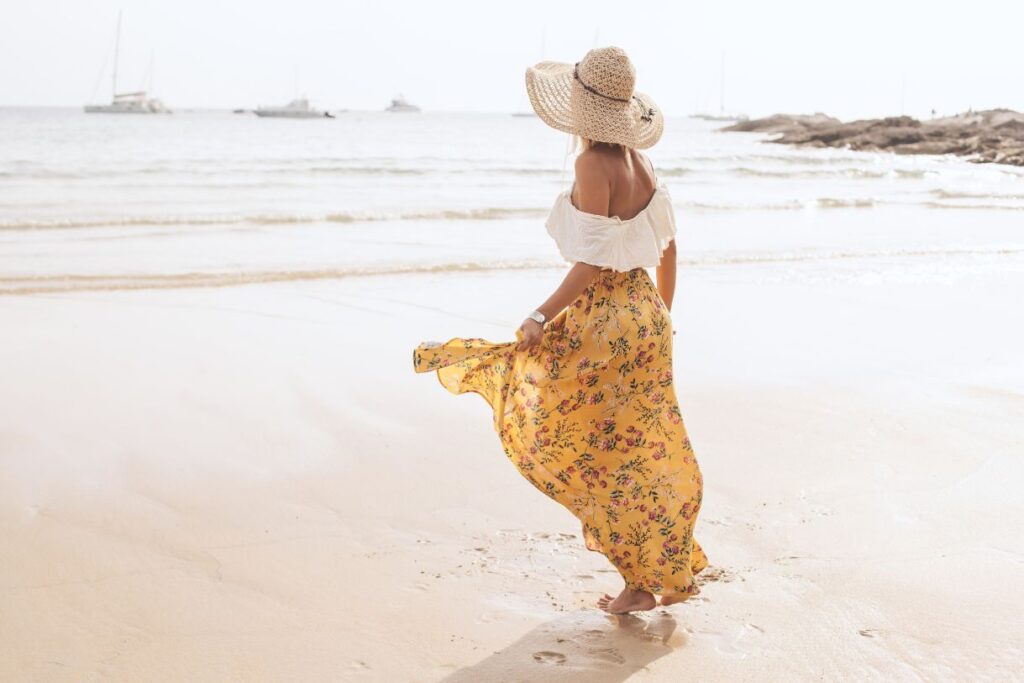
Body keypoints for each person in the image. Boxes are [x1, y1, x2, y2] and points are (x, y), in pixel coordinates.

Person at [412, 46, 707, 614]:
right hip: (644, 315)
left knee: (582, 443)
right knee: (639, 443)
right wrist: (660, 319)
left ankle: (640, 583)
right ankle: (663, 568)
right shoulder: (641, 163)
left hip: (603, 316)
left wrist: (541, 315)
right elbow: (668, 247)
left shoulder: (591, 166)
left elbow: (594, 260)